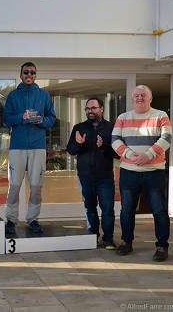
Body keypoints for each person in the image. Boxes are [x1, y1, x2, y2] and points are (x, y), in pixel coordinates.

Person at [112, 85, 172, 262]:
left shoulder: (160, 115)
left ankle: (162, 246)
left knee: (159, 210)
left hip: (154, 172)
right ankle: (126, 242)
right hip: (129, 172)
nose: (140, 98)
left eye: (143, 95)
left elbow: (166, 138)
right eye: (136, 95)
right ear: (132, 99)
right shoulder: (123, 117)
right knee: (127, 210)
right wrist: (131, 156)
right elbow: (115, 140)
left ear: (150, 98)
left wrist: (148, 155)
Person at [3, 62, 56, 234]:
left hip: (37, 147)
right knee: (14, 186)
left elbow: (52, 118)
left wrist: (41, 121)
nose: (29, 74)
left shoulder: (43, 95)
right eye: (26, 72)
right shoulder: (13, 95)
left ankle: (33, 219)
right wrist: (22, 116)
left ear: (35, 75)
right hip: (17, 147)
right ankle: (11, 219)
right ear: (21, 74)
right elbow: (6, 119)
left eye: (32, 72)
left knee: (36, 186)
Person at [66, 97, 116, 249]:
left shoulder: (111, 127)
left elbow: (118, 153)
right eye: (87, 108)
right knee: (90, 207)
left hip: (105, 176)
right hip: (85, 176)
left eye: (93, 108)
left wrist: (103, 146)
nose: (90, 111)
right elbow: (71, 150)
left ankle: (108, 240)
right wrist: (79, 144)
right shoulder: (79, 127)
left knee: (107, 208)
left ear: (101, 108)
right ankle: (93, 236)